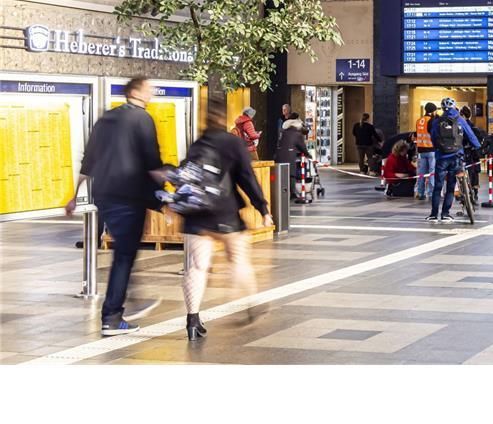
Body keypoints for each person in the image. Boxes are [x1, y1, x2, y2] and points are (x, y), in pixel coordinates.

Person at [64, 77, 167, 336]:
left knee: (124, 252)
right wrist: (166, 195)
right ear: (135, 91)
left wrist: (75, 195)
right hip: (129, 195)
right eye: (148, 88)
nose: (151, 92)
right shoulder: (142, 119)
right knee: (124, 255)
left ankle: (129, 302)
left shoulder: (106, 119)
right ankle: (112, 316)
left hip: (104, 194)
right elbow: (152, 160)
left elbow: (89, 159)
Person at [180, 93, 272, 341]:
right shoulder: (233, 143)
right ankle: (249, 303)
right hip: (224, 213)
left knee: (196, 268)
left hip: (195, 214)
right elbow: (247, 178)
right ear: (224, 118)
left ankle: (192, 320)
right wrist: (263, 209)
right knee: (239, 259)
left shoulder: (198, 144)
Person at [427, 97, 483, 223]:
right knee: (451, 186)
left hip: (441, 157)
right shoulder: (460, 120)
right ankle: (446, 214)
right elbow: (470, 135)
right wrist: (478, 147)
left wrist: (438, 149)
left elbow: (434, 138)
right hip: (456, 155)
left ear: (442, 108)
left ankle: (434, 214)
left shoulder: (437, 121)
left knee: (438, 186)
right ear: (454, 107)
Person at [274, 113, 309, 199]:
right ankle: (292, 192)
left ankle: (280, 191)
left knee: (282, 173)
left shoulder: (284, 129)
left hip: (280, 153)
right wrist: (308, 154)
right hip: (290, 154)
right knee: (291, 174)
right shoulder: (297, 132)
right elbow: (301, 144)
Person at [460, 106, 486, 200]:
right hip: (474, 153)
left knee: (466, 172)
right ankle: (474, 192)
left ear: (462, 115)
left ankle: (465, 192)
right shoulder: (473, 126)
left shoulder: (463, 126)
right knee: (474, 172)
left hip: (466, 153)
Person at [414, 103, 438, 200]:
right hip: (431, 149)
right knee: (432, 173)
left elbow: (417, 133)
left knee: (421, 173)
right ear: (433, 111)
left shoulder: (419, 121)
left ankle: (420, 193)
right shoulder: (432, 121)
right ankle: (431, 193)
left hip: (421, 150)